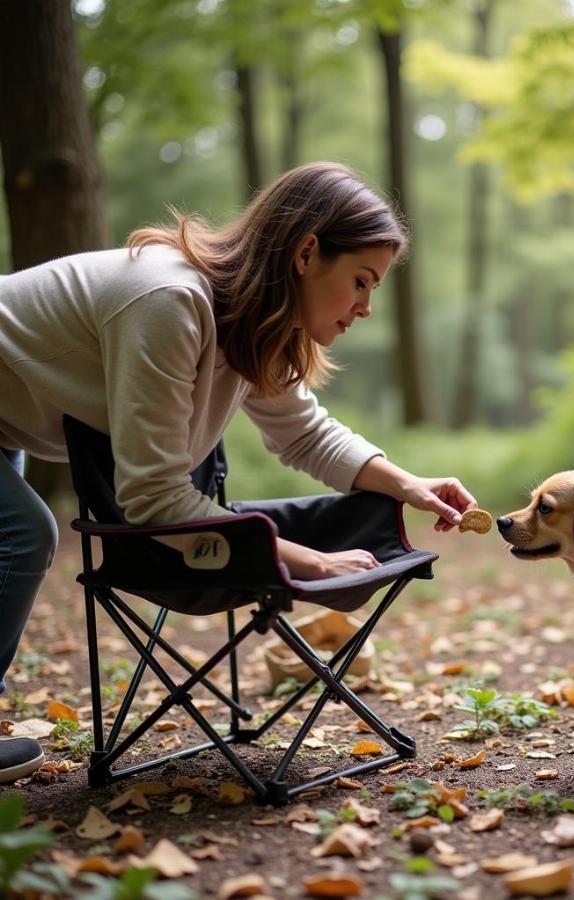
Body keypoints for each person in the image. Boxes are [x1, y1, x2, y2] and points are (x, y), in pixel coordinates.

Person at [0, 161, 477, 782]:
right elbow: (155, 498)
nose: (365, 308)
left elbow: (305, 432)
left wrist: (408, 485)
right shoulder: (171, 302)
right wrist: (306, 559)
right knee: (22, 535)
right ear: (307, 253)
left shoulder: (246, 322)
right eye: (361, 281)